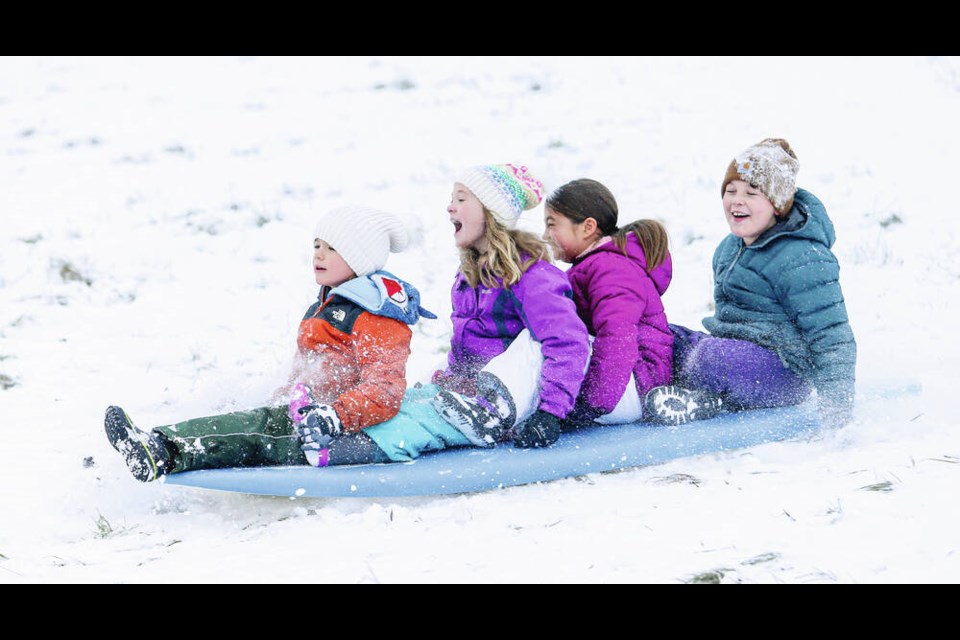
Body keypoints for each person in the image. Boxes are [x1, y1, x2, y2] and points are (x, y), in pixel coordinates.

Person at [103, 205, 435, 481]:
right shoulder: (330, 303)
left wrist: (334, 416)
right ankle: (154, 445)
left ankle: (161, 451)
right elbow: (310, 366)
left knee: (256, 431)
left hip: (340, 430)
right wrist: (287, 393)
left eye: (332, 248)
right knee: (251, 419)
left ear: (360, 259)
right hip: (313, 413)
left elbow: (386, 390)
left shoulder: (377, 316)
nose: (319, 254)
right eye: (317, 245)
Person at [297, 163, 591, 466]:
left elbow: (568, 342)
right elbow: (472, 350)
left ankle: (350, 449)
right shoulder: (470, 275)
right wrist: (451, 382)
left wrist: (550, 413)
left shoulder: (533, 275)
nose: (450, 208)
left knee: (428, 417)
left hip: (520, 398)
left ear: (492, 212)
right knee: (410, 403)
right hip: (477, 390)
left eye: (462, 199)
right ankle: (330, 427)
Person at [644, 138, 857, 429]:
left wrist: (837, 410)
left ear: (777, 205)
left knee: (709, 357)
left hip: (782, 374)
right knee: (661, 334)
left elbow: (832, 335)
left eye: (751, 193)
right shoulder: (728, 248)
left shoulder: (804, 258)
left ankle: (709, 400)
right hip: (732, 353)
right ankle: (650, 391)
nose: (737, 200)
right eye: (730, 191)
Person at [541, 178, 673, 427]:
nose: (545, 235)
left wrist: (589, 406)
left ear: (587, 227)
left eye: (552, 225)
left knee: (544, 346)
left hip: (635, 386)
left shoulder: (611, 269)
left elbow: (617, 337)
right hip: (620, 384)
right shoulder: (593, 265)